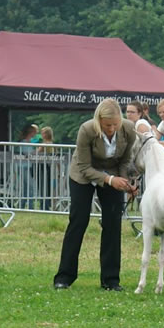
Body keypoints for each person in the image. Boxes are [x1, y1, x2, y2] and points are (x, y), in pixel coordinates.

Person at [53, 98, 137, 291]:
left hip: (113, 175)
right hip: (84, 176)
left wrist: (125, 182)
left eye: (115, 124)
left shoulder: (128, 129)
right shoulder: (87, 130)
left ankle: (110, 280)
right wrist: (109, 180)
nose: (111, 129)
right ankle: (64, 277)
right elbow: (83, 166)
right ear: (98, 121)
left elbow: (125, 160)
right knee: (78, 221)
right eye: (107, 125)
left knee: (112, 224)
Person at [17, 124, 38, 209]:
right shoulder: (24, 143)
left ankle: (21, 206)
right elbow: (28, 154)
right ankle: (30, 207)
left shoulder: (28, 142)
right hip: (23, 167)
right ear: (31, 132)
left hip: (27, 166)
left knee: (26, 188)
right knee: (30, 186)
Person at [35, 126, 55, 210]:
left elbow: (36, 153)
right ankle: (47, 204)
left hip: (43, 167)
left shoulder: (44, 144)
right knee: (47, 187)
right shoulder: (52, 144)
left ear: (46, 134)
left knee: (42, 187)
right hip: (48, 166)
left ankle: (44, 205)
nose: (41, 135)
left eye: (42, 133)